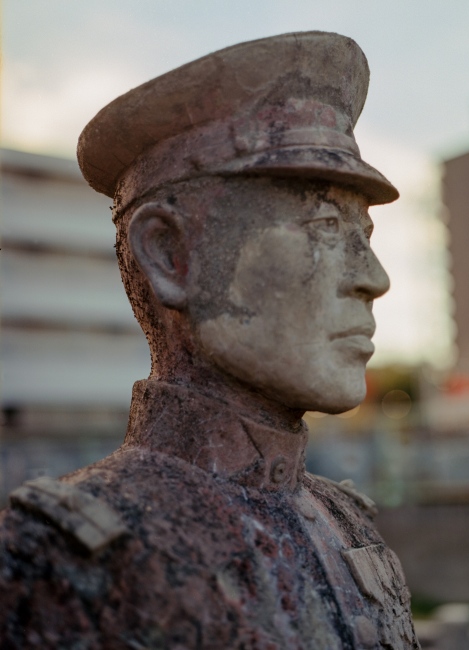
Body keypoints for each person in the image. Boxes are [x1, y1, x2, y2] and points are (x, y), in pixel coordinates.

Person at [0, 31, 419, 649]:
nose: (373, 279)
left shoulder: (349, 527)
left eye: (366, 232)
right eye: (324, 225)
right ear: (170, 254)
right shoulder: (59, 560)